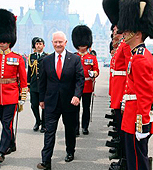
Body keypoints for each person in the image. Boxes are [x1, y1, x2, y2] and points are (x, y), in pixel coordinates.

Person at [117, 0, 153, 169]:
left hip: (137, 117)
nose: (123, 33)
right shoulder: (137, 55)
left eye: (127, 31)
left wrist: (143, 124)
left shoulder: (140, 58)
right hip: (132, 113)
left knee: (137, 161)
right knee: (135, 158)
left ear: (137, 33)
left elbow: (145, 95)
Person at [0, 9, 28, 163]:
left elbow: (23, 79)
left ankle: (2, 151)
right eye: (0, 41)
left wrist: (22, 97)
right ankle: (12, 143)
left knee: (6, 123)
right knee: (5, 123)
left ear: (10, 40)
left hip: (12, 95)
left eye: (5, 41)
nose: (2, 43)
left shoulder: (17, 58)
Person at [37, 31, 84, 170]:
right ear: (52, 43)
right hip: (51, 102)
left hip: (70, 102)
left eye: (60, 42)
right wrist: (41, 99)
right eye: (55, 42)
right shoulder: (46, 60)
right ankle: (46, 160)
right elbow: (42, 82)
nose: (58, 44)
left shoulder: (74, 59)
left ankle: (70, 151)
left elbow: (80, 79)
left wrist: (77, 95)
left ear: (65, 43)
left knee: (70, 129)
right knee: (49, 131)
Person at [71, 25, 99, 135]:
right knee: (75, 109)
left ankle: (85, 127)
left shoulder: (92, 58)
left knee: (86, 108)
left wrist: (94, 74)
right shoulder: (73, 56)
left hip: (87, 85)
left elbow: (96, 69)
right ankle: (76, 128)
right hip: (76, 86)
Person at [27, 37, 48, 133]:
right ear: (35, 46)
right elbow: (29, 71)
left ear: (43, 46)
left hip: (44, 85)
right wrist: (28, 85)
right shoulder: (31, 57)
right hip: (34, 84)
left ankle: (44, 124)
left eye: (40, 44)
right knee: (33, 105)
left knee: (44, 106)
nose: (38, 45)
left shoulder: (47, 57)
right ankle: (37, 120)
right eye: (37, 44)